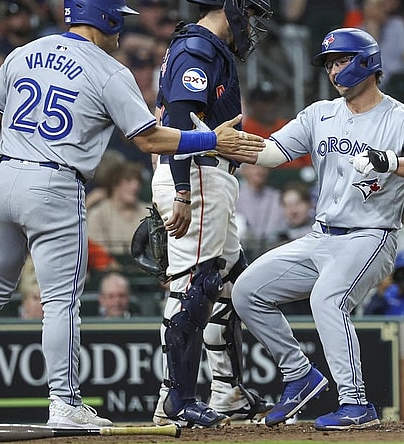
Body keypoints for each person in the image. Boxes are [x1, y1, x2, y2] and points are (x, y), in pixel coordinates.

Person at [0, 0, 265, 429]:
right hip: (54, 184)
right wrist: (209, 141)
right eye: (118, 19)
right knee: (60, 302)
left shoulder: (24, 52)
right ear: (102, 18)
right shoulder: (108, 70)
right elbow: (149, 139)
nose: (121, 27)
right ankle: (64, 402)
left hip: (4, 176)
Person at [231, 28, 404, 430]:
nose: (333, 70)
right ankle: (299, 375)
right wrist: (217, 141)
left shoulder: (401, 119)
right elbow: (269, 153)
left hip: (370, 236)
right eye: (330, 63)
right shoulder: (320, 114)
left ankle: (356, 403)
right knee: (247, 292)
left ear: (367, 62)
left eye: (341, 60)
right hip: (320, 237)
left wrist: (392, 162)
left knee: (327, 300)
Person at [149, 0, 273, 428]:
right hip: (197, 174)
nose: (253, 25)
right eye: (251, 14)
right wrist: (181, 189)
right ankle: (174, 400)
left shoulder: (203, 46)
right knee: (194, 285)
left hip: (208, 174)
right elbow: (182, 116)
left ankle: (227, 392)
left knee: (234, 283)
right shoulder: (198, 47)